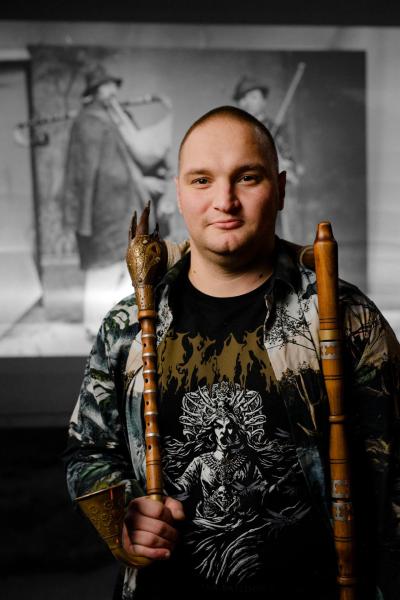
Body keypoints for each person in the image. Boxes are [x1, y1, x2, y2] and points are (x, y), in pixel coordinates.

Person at [65, 105, 400, 600]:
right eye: (202, 181)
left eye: (247, 178)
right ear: (178, 192)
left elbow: (394, 477)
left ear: (280, 189)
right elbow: (88, 451)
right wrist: (123, 519)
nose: (225, 201)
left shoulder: (346, 318)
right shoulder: (127, 325)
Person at [62, 63, 172, 338]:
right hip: (103, 209)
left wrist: (144, 182)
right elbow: (85, 173)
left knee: (129, 264)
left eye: (113, 86)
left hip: (125, 204)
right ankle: (93, 325)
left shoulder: (116, 118)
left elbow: (136, 159)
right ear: (95, 91)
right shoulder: (88, 123)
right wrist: (82, 216)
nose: (112, 91)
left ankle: (118, 323)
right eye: (106, 86)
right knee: (104, 266)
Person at [233, 75, 302, 241]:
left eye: (253, 97)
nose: (248, 102)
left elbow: (288, 160)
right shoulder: (234, 131)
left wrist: (283, 165)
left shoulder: (275, 129)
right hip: (246, 193)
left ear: (263, 101)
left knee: (280, 234)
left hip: (272, 192)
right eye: (243, 98)